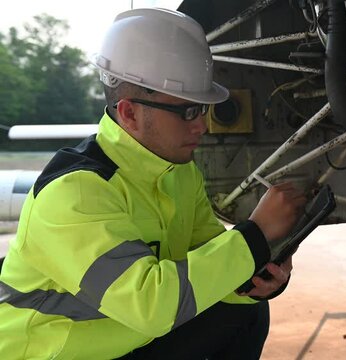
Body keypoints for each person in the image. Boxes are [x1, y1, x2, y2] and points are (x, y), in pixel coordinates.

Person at [0, 8, 306, 359]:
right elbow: (151, 306)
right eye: (188, 111)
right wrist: (255, 234)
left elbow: (209, 263)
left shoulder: (178, 171)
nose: (201, 127)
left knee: (243, 311)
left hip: (127, 343)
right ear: (129, 112)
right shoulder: (74, 194)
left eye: (203, 110)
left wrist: (256, 277)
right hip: (52, 354)